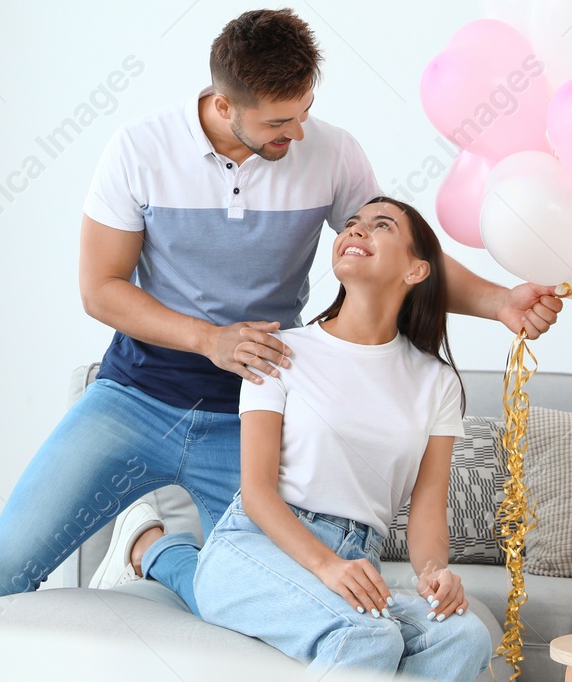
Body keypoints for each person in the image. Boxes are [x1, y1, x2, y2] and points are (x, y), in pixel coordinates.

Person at [0, 8, 561, 628]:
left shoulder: (332, 153)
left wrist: (498, 302)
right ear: (223, 104)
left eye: (304, 111)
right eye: (278, 121)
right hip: (135, 397)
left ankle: (156, 550)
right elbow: (100, 290)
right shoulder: (140, 149)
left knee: (267, 606)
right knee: (3, 569)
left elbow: (404, 256)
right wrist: (208, 339)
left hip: (251, 415)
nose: (297, 133)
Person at [191, 196, 492, 678]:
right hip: (257, 549)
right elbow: (257, 493)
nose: (355, 231)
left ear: (416, 271)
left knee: (462, 636)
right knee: (366, 634)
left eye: (380, 226)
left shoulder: (438, 382)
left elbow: (428, 506)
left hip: (359, 558)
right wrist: (327, 566)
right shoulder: (281, 351)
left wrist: (434, 571)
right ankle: (161, 553)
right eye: (351, 224)